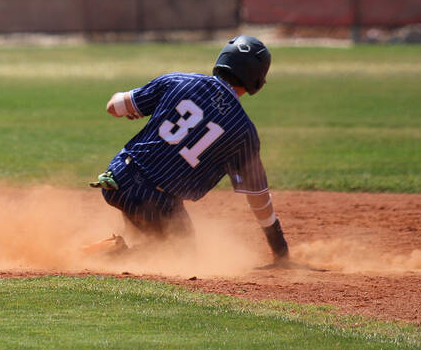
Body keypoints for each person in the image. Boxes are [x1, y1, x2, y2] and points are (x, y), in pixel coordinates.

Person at [89, 36, 290, 264]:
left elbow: (114, 107)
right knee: (182, 258)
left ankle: (116, 248)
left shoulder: (178, 81)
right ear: (257, 80)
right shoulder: (242, 131)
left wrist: (128, 104)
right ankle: (100, 255)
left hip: (117, 176)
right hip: (154, 200)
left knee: (148, 220)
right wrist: (280, 249)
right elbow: (258, 199)